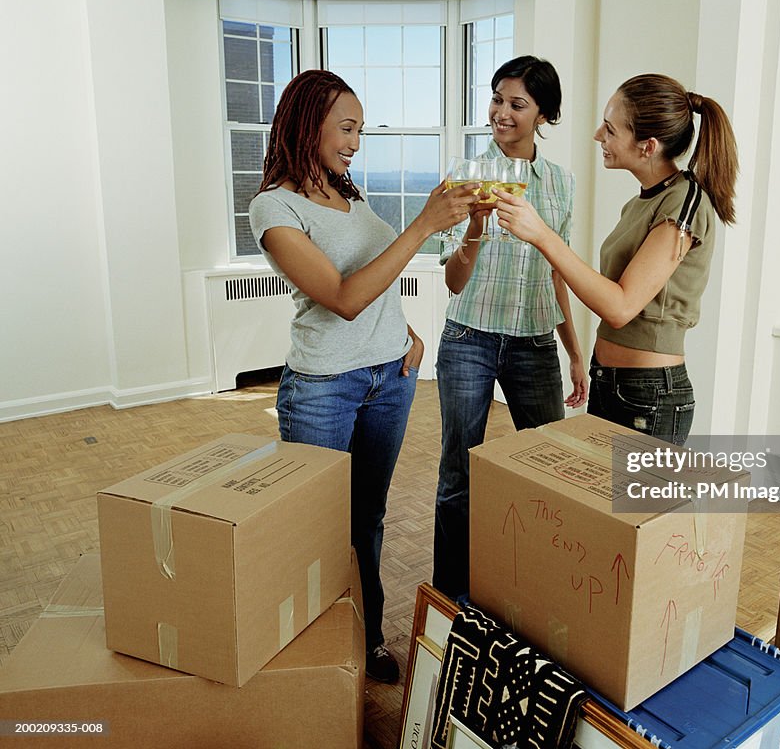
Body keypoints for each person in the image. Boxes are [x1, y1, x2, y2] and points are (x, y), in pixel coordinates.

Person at [248, 69, 473, 683]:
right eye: (346, 128)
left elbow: (377, 285)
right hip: (324, 386)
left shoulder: (352, 194)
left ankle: (366, 638)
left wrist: (407, 334)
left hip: (390, 378)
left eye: (359, 131)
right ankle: (308, 649)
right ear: (307, 123)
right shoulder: (273, 206)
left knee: (365, 518)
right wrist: (424, 224)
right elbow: (343, 298)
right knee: (314, 524)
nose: (354, 141)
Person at [494, 73, 738, 444]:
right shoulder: (642, 202)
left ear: (647, 146)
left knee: (630, 505)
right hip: (610, 383)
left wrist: (542, 235)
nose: (598, 136)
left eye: (609, 129)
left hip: (649, 397)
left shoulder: (685, 202)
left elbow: (620, 306)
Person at [433, 56, 587, 600]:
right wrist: (473, 225)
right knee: (458, 476)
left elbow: (558, 273)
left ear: (544, 113)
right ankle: (450, 599)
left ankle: (543, 589)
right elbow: (453, 282)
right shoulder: (463, 178)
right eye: (497, 98)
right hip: (467, 341)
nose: (501, 112)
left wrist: (574, 352)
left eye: (517, 104)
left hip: (534, 344)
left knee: (550, 470)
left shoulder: (561, 185)